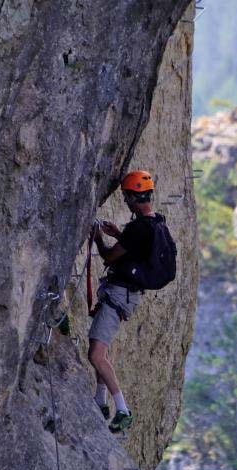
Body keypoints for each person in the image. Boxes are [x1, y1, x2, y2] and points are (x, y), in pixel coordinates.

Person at [87, 170, 157, 433]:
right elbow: (136, 249)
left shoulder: (137, 229)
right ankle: (100, 400)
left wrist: (99, 239)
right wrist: (118, 234)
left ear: (132, 197)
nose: (126, 202)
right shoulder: (155, 223)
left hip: (119, 294)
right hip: (127, 295)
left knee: (96, 354)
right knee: (100, 348)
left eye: (127, 197)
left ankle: (122, 410)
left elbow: (108, 257)